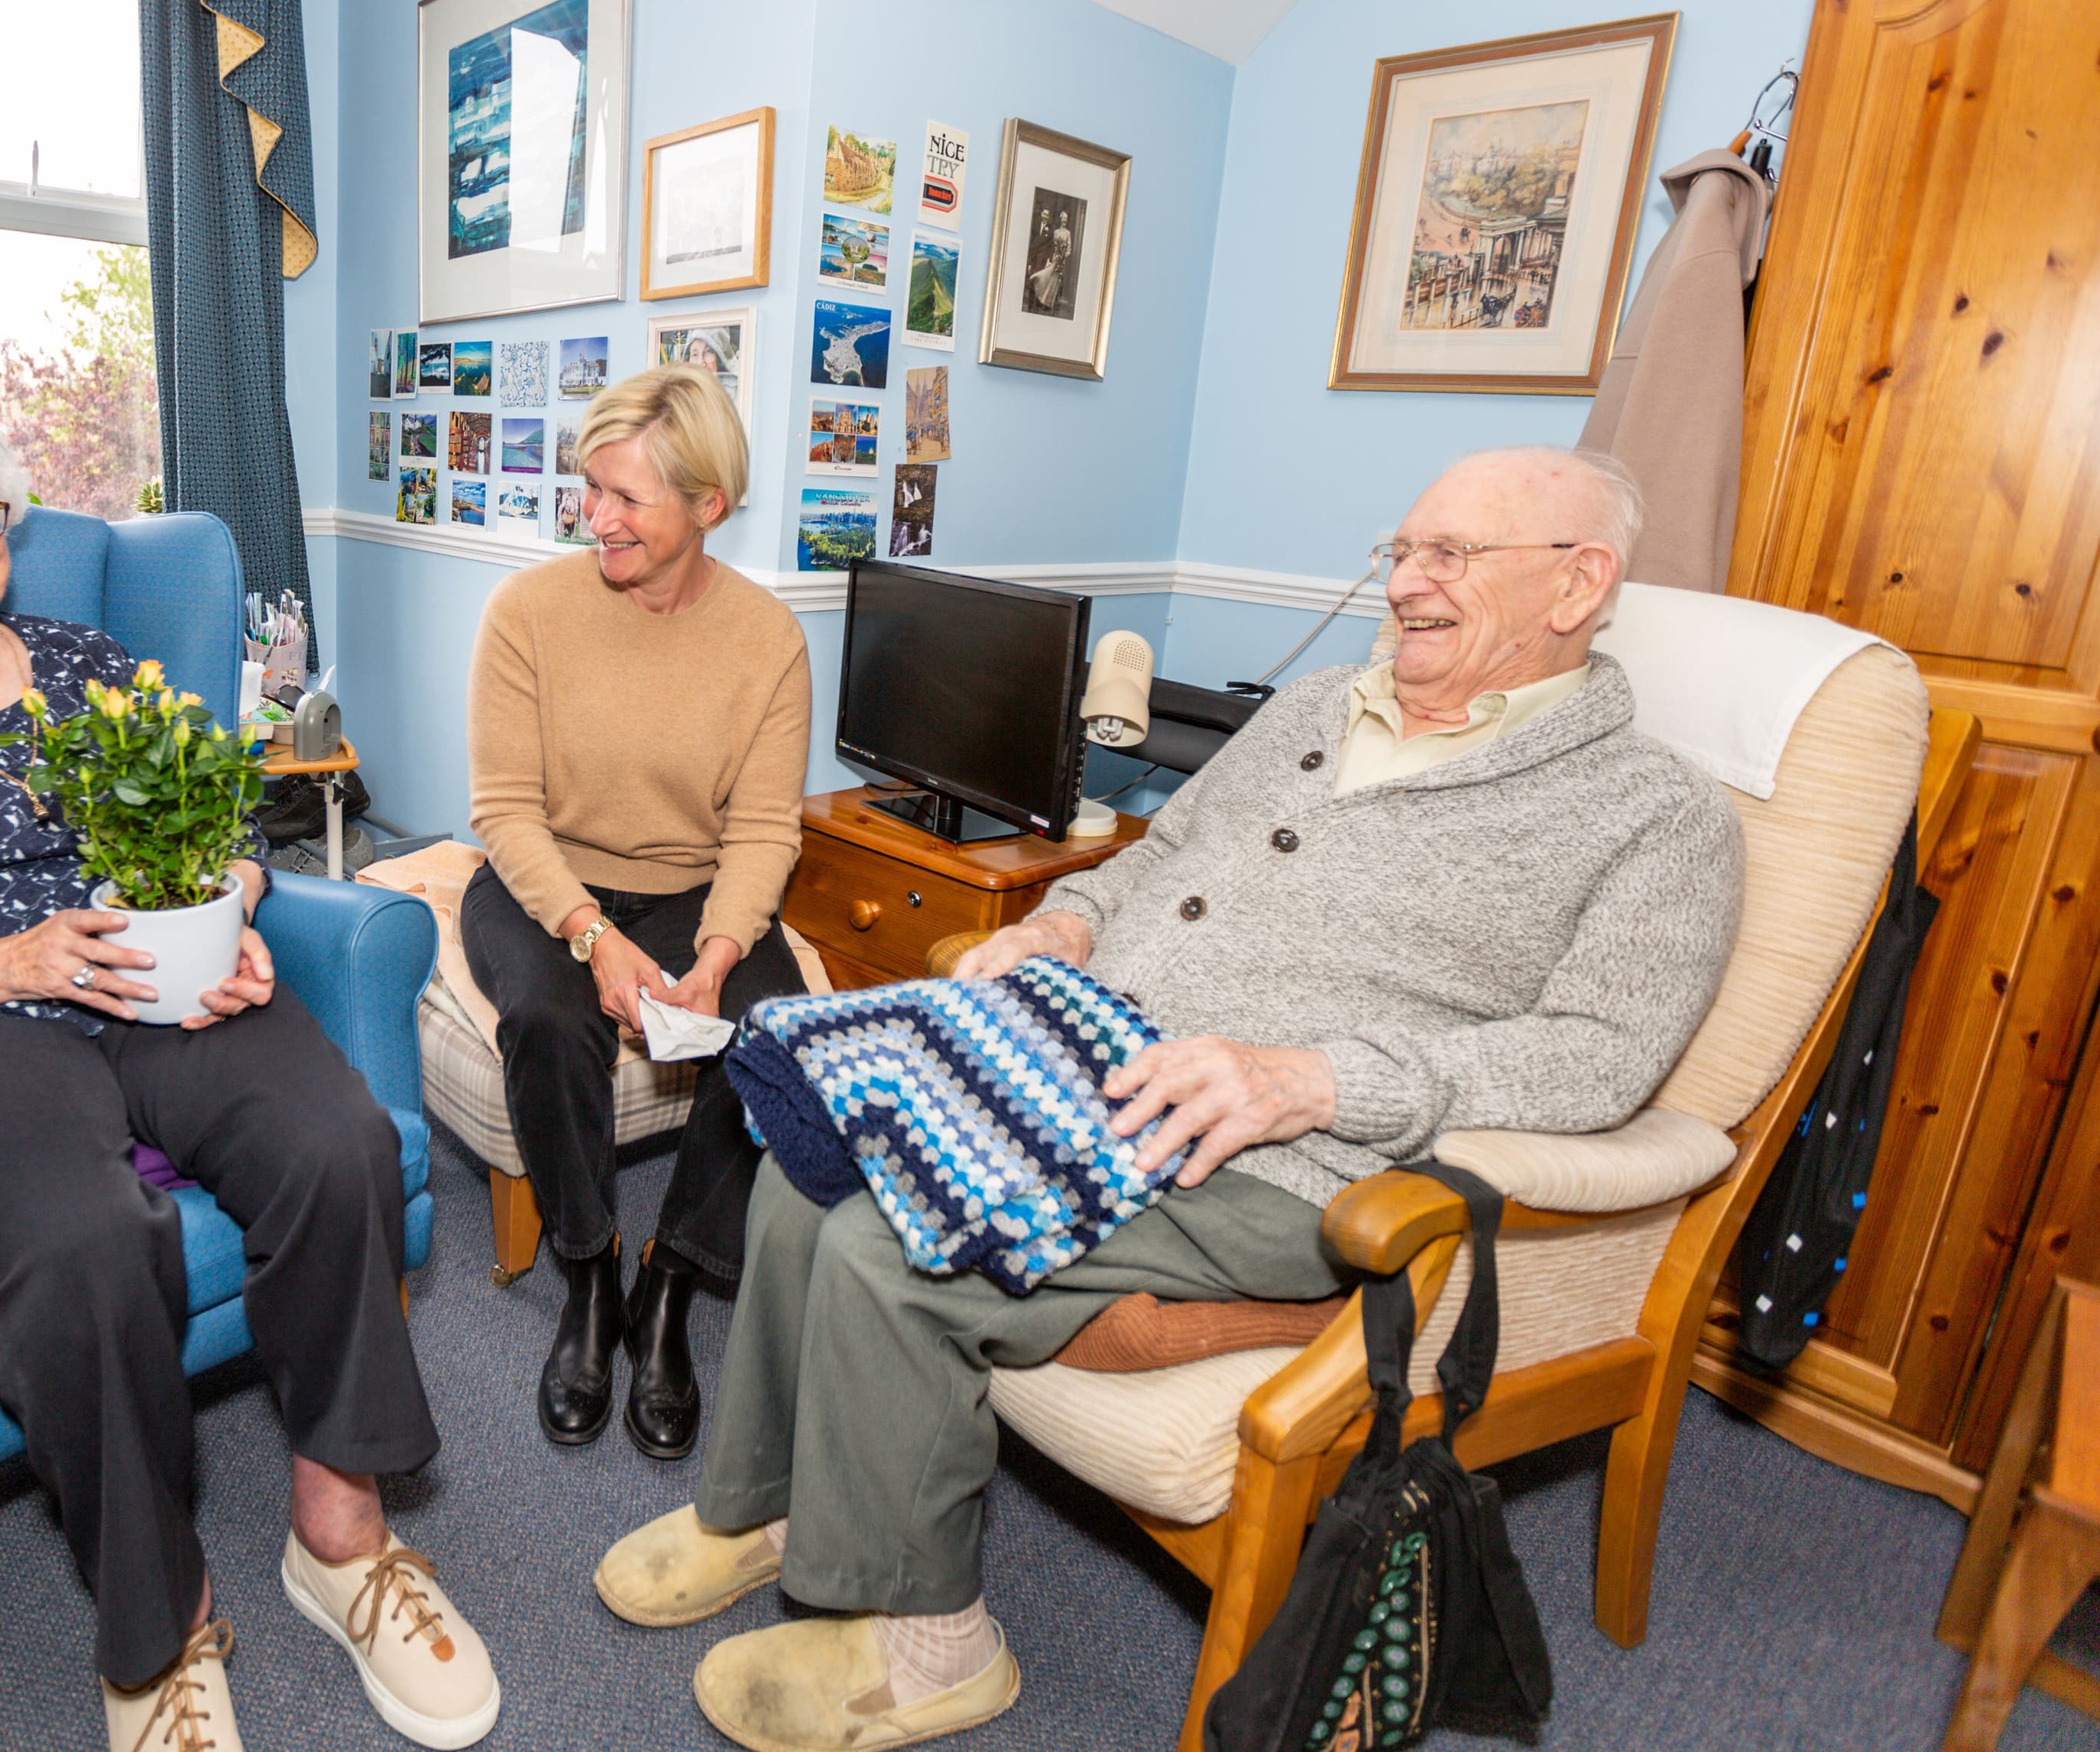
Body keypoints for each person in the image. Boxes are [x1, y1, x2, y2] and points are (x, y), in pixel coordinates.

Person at [595, 447, 1744, 1752]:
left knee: (887, 1241)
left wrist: (1312, 1082)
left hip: (1284, 1156)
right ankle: (771, 1510)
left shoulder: (1654, 816)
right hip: (1082, 1059)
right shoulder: (1318, 705)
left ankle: (931, 1645)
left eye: (1451, 558)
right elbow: (1156, 855)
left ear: (1578, 584)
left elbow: (1602, 1057)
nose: (1408, 584)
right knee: (818, 1149)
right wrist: (1064, 929)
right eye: (1402, 552)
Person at [0, 378, 500, 1752]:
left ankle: (341, 1537)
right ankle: (157, 1628)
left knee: (336, 1139)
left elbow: (234, 822)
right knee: (81, 1236)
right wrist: (0, 962)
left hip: (138, 982)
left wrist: (225, 919)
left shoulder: (87, 663)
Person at [462, 364, 812, 1459]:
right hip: (543, 880)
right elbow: (505, 811)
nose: (596, 519)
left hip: (692, 889)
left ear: (709, 505)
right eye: (591, 490)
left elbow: (763, 832)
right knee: (551, 1020)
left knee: (774, 1037)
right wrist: (590, 937)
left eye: (628, 499)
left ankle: (671, 1288)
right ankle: (590, 1274)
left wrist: (716, 957)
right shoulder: (528, 613)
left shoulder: (767, 642)